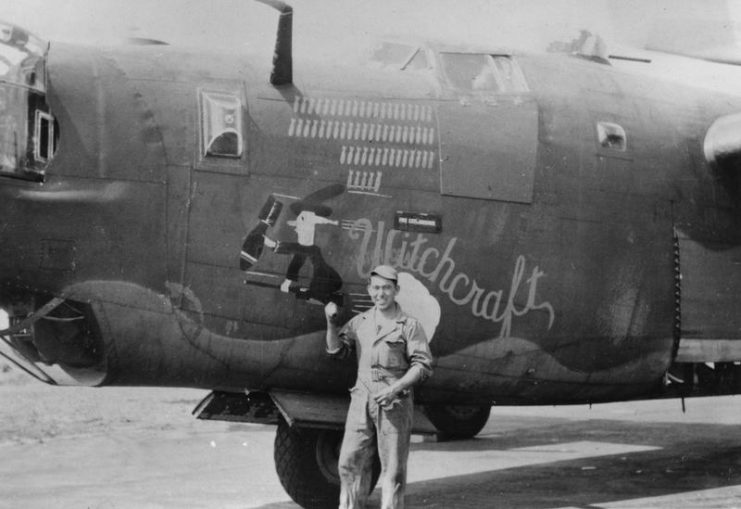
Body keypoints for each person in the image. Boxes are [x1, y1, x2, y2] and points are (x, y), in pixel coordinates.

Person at [324, 265, 434, 509]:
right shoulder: (359, 322)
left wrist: (396, 388)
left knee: (393, 471)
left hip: (395, 401)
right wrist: (331, 323)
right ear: (369, 290)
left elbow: (423, 365)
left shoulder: (409, 326)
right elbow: (336, 352)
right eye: (376, 288)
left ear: (396, 290)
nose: (380, 293)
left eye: (386, 288)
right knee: (348, 462)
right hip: (361, 398)